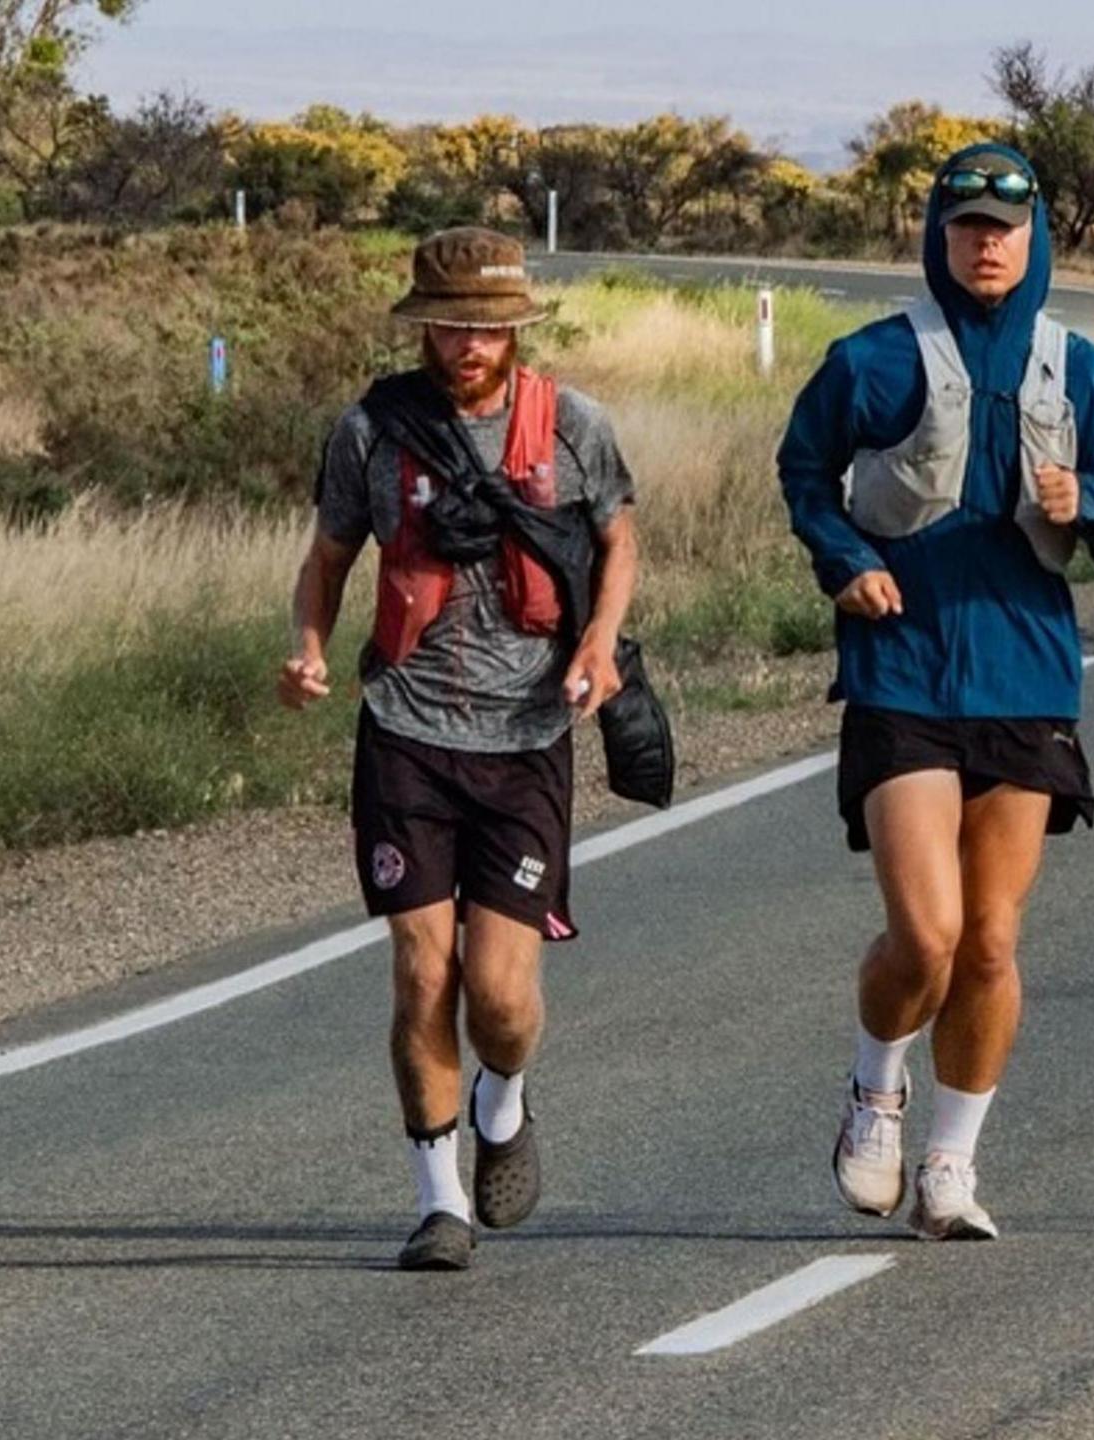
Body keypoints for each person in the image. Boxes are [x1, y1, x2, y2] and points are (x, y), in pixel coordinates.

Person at [776, 145, 1094, 1240]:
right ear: (935, 237)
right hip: (901, 673)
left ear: (1035, 235)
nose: (986, 243)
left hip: (1027, 675)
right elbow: (804, 471)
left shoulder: (1080, 370)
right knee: (927, 934)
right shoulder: (874, 361)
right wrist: (843, 560)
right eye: (965, 226)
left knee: (990, 942)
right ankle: (874, 1092)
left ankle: (951, 1166)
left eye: (1005, 225)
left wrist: (1085, 497)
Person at [280, 227, 640, 1271]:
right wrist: (307, 645)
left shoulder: (574, 427)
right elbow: (328, 558)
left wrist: (601, 641)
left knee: (502, 998)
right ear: (421, 326)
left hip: (526, 738)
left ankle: (504, 1097)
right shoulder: (371, 432)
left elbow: (617, 536)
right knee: (418, 971)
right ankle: (441, 1203)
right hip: (405, 732)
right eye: (449, 325)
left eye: (487, 328)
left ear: (515, 328)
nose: (468, 345)